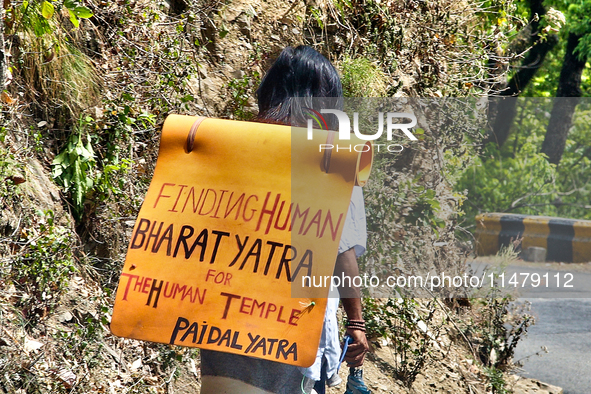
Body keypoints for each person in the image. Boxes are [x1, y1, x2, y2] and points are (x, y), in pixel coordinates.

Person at [200, 45, 369, 394]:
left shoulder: (234, 149)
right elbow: (342, 249)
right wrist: (356, 322)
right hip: (291, 327)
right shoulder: (329, 157)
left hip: (225, 319)